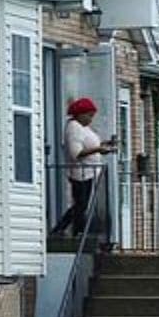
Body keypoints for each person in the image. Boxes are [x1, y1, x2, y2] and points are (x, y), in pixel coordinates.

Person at [51, 97, 116, 236]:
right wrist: (98, 149)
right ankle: (72, 231)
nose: (91, 119)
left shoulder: (82, 127)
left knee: (82, 204)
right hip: (80, 173)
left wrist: (105, 144)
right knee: (80, 204)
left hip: (88, 172)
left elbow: (89, 144)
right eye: (89, 115)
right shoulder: (74, 128)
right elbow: (76, 153)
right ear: (80, 114)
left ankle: (72, 230)